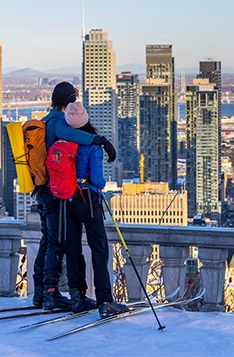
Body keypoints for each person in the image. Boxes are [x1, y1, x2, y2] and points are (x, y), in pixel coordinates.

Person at [32, 82, 117, 310]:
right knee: (56, 244)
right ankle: (51, 294)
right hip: (59, 193)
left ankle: (42, 292)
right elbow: (69, 133)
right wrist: (98, 140)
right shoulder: (60, 123)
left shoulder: (45, 120)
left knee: (49, 241)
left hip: (45, 190)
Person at [62, 101, 129, 318]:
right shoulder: (93, 145)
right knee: (99, 250)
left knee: (73, 250)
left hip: (67, 200)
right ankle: (104, 301)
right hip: (89, 200)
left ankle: (77, 297)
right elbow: (98, 180)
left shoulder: (62, 140)